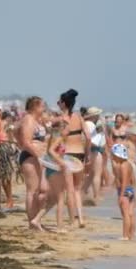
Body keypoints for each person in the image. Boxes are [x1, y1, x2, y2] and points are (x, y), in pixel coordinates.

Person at [29, 120, 70, 232]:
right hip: (55, 170)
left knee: (52, 200)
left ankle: (36, 220)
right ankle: (60, 227)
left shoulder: (55, 137)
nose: (69, 130)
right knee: (61, 198)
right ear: (62, 129)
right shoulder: (59, 138)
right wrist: (61, 162)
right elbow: (51, 151)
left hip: (52, 169)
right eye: (67, 128)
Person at [59, 89, 90, 228]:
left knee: (69, 190)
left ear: (64, 104)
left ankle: (72, 220)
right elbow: (89, 138)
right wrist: (87, 155)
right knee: (77, 189)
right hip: (80, 154)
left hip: (68, 155)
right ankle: (81, 219)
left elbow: (60, 139)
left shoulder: (63, 119)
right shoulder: (79, 117)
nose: (58, 104)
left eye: (59, 102)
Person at [16, 96, 47, 225]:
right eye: (42, 106)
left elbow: (16, 133)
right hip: (31, 157)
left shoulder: (35, 120)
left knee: (40, 190)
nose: (44, 108)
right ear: (35, 107)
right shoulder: (28, 120)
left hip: (36, 157)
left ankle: (35, 219)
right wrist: (38, 156)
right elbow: (26, 142)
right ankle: (32, 221)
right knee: (32, 190)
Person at [112, 143, 136, 240]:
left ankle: (125, 235)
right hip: (130, 190)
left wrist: (121, 196)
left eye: (113, 155)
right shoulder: (129, 164)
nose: (113, 157)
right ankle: (131, 234)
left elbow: (124, 181)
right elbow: (133, 180)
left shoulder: (123, 166)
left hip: (124, 191)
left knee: (125, 214)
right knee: (130, 213)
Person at [82, 107, 105, 205]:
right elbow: (88, 139)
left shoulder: (89, 124)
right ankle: (96, 195)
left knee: (91, 174)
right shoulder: (90, 124)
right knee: (97, 174)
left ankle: (82, 193)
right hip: (94, 150)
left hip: (92, 149)